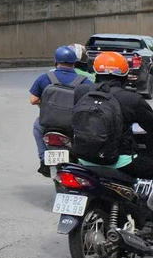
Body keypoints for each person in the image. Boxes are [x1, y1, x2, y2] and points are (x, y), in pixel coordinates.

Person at [72, 52, 153, 178]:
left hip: (83, 158)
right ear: (125, 73)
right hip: (119, 162)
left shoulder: (81, 91)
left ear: (95, 71)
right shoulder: (132, 99)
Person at [29, 45, 86, 177]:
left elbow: (33, 100)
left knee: (37, 127)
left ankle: (44, 158)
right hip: (73, 124)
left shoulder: (45, 78)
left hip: (48, 122)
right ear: (74, 63)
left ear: (56, 61)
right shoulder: (84, 81)